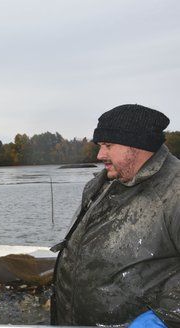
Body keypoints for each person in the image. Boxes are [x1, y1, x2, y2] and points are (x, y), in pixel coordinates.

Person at [51, 104, 180, 327]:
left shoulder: (175, 191)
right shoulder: (99, 185)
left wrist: (168, 317)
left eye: (108, 145)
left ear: (137, 146)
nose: (100, 154)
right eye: (100, 146)